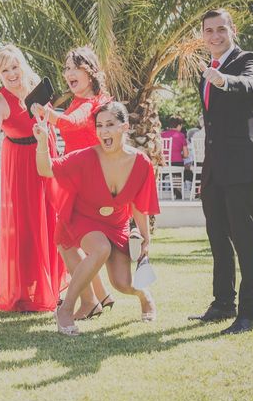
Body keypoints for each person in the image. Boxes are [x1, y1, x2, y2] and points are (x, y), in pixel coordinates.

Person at [33, 101, 159, 336]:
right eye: (99, 126)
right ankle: (66, 309)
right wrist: (42, 142)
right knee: (100, 248)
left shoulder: (141, 163)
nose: (104, 131)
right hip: (82, 217)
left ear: (125, 127)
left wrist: (146, 240)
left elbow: (140, 206)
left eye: (110, 124)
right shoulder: (86, 157)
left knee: (122, 283)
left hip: (117, 223)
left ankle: (144, 295)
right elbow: (46, 169)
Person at [189, 8, 253, 335]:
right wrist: (213, 76)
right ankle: (223, 303)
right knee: (218, 237)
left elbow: (249, 87)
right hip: (213, 168)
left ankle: (248, 313)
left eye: (221, 29)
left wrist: (223, 80)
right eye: (209, 31)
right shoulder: (205, 69)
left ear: (232, 30)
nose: (215, 36)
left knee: (244, 240)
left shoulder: (246, 59)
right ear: (203, 36)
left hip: (239, 166)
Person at [0, 45, 65, 312]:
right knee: (28, 225)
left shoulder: (37, 87)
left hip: (47, 155)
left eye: (14, 67)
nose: (12, 74)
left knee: (54, 220)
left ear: (22, 65)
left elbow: (54, 120)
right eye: (5, 70)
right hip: (21, 162)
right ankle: (32, 290)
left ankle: (56, 285)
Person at [31, 46, 114, 320]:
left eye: (73, 68)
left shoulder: (93, 104)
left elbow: (74, 123)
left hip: (87, 185)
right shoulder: (80, 101)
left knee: (67, 244)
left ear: (89, 72)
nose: (68, 74)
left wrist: (49, 115)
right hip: (76, 182)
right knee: (69, 243)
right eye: (66, 69)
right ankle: (99, 296)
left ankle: (90, 300)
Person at [160, 115, 193, 198]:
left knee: (174, 167)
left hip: (164, 163)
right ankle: (178, 191)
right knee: (180, 169)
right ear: (179, 125)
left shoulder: (162, 135)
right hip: (177, 163)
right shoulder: (181, 135)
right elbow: (186, 155)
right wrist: (180, 155)